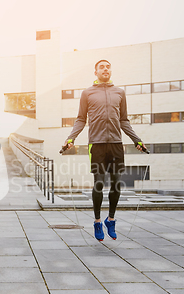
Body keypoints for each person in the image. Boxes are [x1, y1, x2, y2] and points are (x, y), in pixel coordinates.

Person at [63, 60, 147, 241]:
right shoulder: (87, 93)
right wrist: (71, 138)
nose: (105, 69)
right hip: (97, 144)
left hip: (116, 143)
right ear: (95, 72)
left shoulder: (120, 93)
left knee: (116, 183)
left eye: (108, 66)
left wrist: (137, 140)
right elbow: (80, 119)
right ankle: (97, 221)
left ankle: (111, 219)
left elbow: (124, 120)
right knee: (99, 183)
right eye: (102, 67)